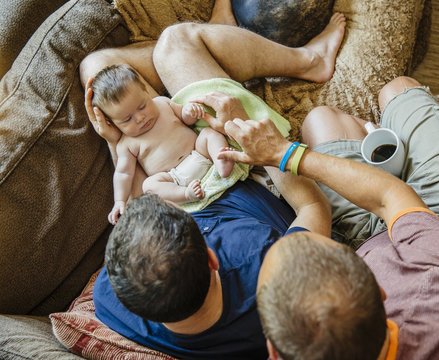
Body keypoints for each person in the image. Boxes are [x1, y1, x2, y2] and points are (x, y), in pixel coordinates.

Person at [84, 1, 346, 358]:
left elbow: (134, 206)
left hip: (173, 183)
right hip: (229, 173)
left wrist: (118, 142)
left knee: (94, 69)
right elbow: (315, 208)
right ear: (211, 259)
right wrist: (248, 134)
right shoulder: (261, 258)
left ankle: (217, 36)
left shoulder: (111, 298)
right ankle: (309, 60)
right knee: (176, 42)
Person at [218, 76, 439, 359]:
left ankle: (384, 155)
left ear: (273, 354)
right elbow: (389, 196)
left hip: (377, 236)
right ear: (381, 292)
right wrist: (284, 153)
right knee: (397, 90)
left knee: (321, 120)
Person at [90, 63, 235, 224]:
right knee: (149, 185)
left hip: (199, 154)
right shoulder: (126, 144)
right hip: (173, 179)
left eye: (142, 106)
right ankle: (187, 194)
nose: (140, 118)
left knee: (208, 134)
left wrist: (189, 111)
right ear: (112, 123)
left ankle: (222, 162)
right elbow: (123, 174)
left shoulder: (163, 103)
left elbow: (185, 118)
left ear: (145, 91)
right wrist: (120, 202)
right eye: (127, 119)